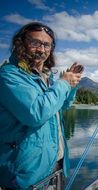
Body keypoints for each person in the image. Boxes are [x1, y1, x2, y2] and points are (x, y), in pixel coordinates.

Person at [0, 22, 84, 189]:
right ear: (21, 43)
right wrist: (63, 84)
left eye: (47, 45)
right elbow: (35, 113)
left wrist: (71, 86)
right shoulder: (9, 75)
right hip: (27, 175)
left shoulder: (46, 77)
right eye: (35, 43)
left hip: (55, 165)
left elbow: (60, 107)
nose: (41, 49)